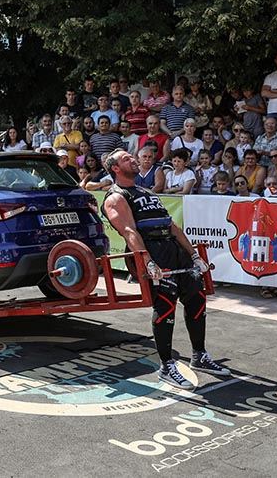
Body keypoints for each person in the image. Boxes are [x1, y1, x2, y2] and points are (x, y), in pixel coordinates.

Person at [101, 149, 230, 389]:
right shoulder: (116, 198)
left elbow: (172, 226)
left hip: (174, 249)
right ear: (116, 168)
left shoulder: (147, 192)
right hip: (153, 251)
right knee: (165, 305)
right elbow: (129, 232)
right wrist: (148, 261)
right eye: (127, 159)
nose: (133, 159)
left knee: (197, 299)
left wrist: (193, 255)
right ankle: (166, 366)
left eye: (132, 156)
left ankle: (199, 355)